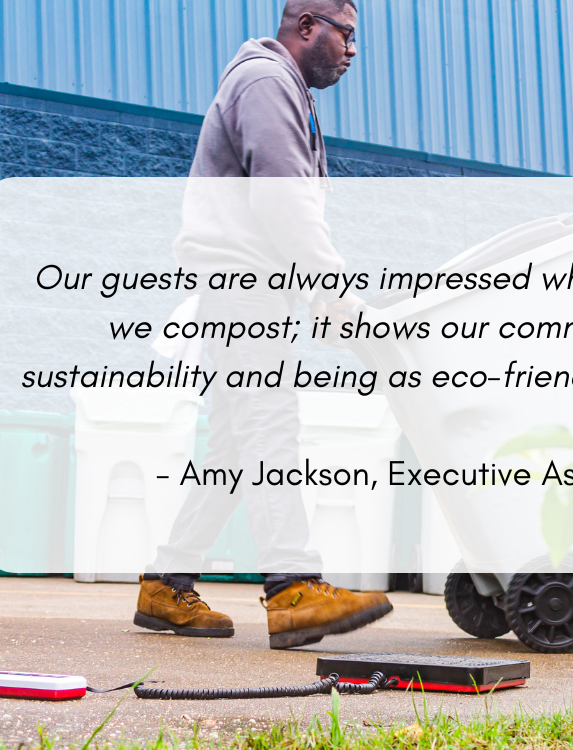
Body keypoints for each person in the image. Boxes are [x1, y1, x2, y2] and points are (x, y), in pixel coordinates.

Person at [133, 0, 393, 650]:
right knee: (271, 425)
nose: (352, 50)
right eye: (346, 35)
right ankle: (293, 588)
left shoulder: (283, 88)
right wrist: (336, 296)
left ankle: (166, 584)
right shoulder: (266, 82)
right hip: (243, 289)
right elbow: (286, 205)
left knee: (229, 450)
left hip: (251, 288)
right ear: (307, 26)